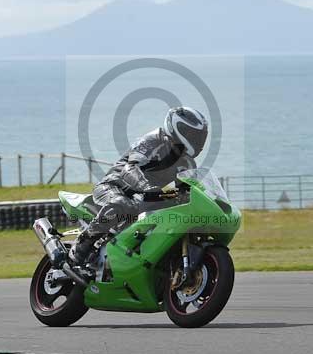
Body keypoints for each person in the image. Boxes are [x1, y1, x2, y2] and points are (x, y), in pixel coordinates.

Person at [69, 106, 209, 266]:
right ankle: (83, 244)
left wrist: (196, 198)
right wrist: (147, 187)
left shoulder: (188, 163)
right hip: (115, 186)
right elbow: (131, 168)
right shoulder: (153, 140)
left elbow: (189, 188)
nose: (197, 140)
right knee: (121, 203)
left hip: (147, 196)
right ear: (177, 128)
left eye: (200, 137)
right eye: (193, 135)